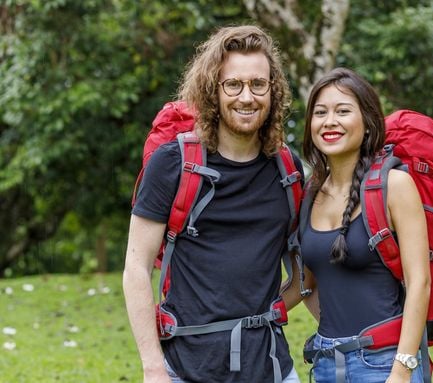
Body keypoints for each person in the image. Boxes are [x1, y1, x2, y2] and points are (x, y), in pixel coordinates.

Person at [123, 25, 303, 383]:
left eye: (258, 84)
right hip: (185, 370)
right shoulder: (172, 164)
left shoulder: (287, 168)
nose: (247, 97)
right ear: (212, 91)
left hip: (271, 368)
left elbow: (305, 272)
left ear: (273, 90)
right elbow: (136, 268)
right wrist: (153, 367)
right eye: (233, 84)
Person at [292, 68, 431, 383]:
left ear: (368, 124)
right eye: (320, 113)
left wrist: (402, 369)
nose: (330, 121)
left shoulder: (394, 185)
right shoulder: (310, 193)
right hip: (326, 363)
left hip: (384, 364)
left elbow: (419, 282)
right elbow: (309, 284)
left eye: (343, 111)